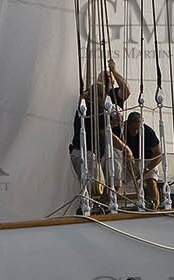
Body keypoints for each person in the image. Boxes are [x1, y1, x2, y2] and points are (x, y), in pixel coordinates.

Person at [67, 60, 131, 194]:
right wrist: (124, 147)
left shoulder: (113, 95)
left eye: (107, 78)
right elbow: (104, 130)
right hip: (95, 149)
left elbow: (126, 91)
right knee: (97, 186)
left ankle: (107, 204)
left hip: (108, 148)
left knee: (112, 179)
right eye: (102, 77)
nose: (104, 79)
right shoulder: (91, 103)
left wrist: (114, 71)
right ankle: (99, 206)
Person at [122, 111, 163, 208]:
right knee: (118, 182)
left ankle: (155, 205)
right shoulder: (122, 130)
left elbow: (158, 155)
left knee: (151, 182)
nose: (136, 131)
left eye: (138, 129)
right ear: (129, 124)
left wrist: (147, 169)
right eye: (133, 129)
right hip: (129, 160)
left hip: (148, 160)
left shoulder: (148, 132)